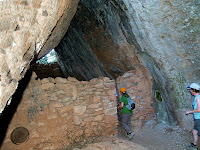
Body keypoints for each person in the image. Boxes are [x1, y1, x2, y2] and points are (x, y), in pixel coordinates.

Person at [186, 83, 200, 150]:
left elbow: (198, 109)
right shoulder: (197, 97)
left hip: (199, 119)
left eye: (190, 90)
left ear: (194, 90)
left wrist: (190, 112)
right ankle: (194, 146)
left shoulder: (198, 98)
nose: (190, 91)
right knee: (195, 132)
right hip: (197, 118)